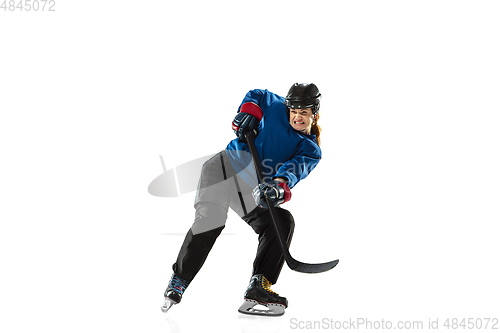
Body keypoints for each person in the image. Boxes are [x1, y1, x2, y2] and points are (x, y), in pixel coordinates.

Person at [161, 83, 323, 316]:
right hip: (222, 170)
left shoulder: (309, 149)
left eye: (304, 112)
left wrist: (277, 187)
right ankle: (179, 281)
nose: (297, 116)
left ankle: (259, 285)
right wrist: (250, 112)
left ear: (314, 114)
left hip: (249, 189)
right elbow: (257, 94)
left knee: (281, 222)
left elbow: (293, 170)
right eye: (294, 111)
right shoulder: (276, 105)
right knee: (211, 221)